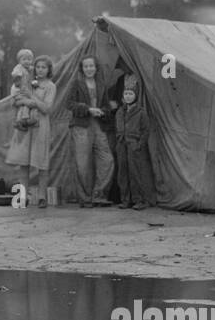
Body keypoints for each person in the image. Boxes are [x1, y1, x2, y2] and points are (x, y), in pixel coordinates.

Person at [5, 54, 56, 209]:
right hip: (25, 124)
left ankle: (42, 197)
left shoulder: (50, 86)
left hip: (41, 125)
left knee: (41, 162)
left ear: (48, 70)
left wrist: (30, 101)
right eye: (38, 67)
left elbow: (47, 108)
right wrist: (23, 100)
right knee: (23, 162)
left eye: (44, 67)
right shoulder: (27, 82)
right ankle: (22, 197)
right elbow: (16, 100)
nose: (40, 70)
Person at [64, 54, 115, 207]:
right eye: (86, 66)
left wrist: (102, 111)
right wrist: (88, 109)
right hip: (81, 126)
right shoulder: (76, 83)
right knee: (82, 164)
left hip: (98, 126)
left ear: (96, 67)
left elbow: (106, 106)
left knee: (107, 160)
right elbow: (69, 104)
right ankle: (85, 198)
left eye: (91, 66)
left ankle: (99, 195)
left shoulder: (101, 84)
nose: (89, 69)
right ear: (82, 68)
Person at [114, 78, 157, 209]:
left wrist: (139, 145)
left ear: (136, 95)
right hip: (122, 145)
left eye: (130, 94)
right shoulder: (120, 112)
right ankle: (125, 200)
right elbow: (117, 128)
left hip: (134, 145)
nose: (128, 96)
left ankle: (139, 200)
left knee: (135, 173)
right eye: (126, 94)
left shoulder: (141, 112)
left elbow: (145, 130)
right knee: (122, 173)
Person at [10, 48, 37, 129]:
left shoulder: (29, 68)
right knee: (26, 102)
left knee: (24, 105)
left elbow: (33, 73)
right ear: (19, 61)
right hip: (18, 91)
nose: (26, 61)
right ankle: (20, 120)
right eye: (24, 59)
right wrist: (17, 79)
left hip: (25, 90)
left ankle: (22, 119)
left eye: (29, 59)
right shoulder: (19, 67)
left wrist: (34, 81)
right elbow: (15, 75)